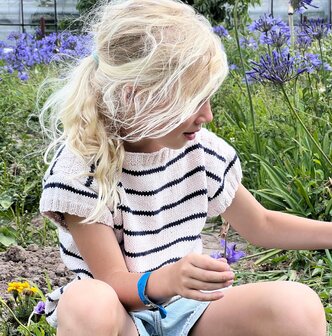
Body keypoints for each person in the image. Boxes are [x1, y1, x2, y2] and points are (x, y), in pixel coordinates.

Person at [39, 0, 330, 335]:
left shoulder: (200, 150)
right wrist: (169, 279)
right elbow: (114, 283)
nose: (207, 115)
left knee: (297, 306)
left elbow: (260, 224)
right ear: (137, 96)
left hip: (191, 312)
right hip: (122, 319)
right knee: (87, 301)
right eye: (194, 101)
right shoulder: (84, 170)